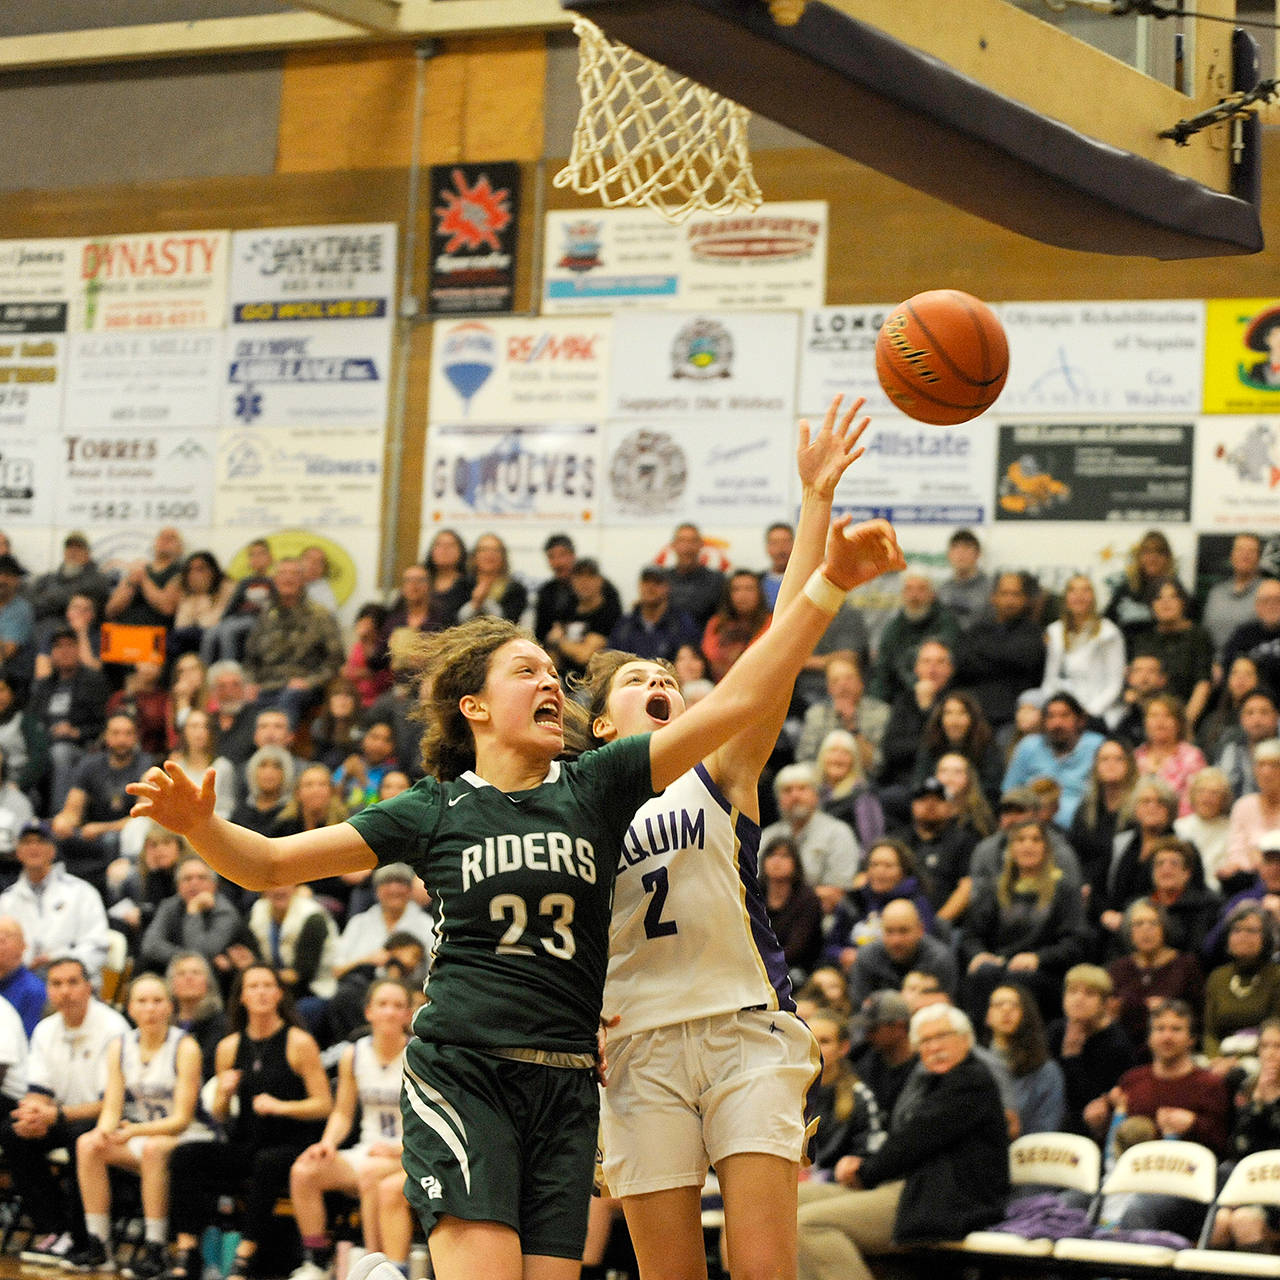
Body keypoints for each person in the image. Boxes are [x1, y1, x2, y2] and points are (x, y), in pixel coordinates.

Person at [126, 495, 905, 1280]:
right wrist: (197, 827)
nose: (549, 685)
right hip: (469, 1065)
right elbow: (265, 865)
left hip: (567, 1082)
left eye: (553, 675)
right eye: (525, 671)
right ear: (473, 706)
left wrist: (825, 584)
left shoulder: (596, 785)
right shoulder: (434, 807)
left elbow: (742, 697)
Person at [573, 394, 873, 1280]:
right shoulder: (576, 802)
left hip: (743, 1032)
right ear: (599, 725)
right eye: (637, 677)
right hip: (636, 1045)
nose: (660, 677)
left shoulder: (721, 772)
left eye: (668, 672)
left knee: (764, 1271)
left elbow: (779, 650)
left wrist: (813, 501)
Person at [794, 1004, 1009, 1280]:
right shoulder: (930, 1082)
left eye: (942, 1036)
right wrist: (866, 1169)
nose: (934, 1047)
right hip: (908, 1186)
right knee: (789, 1201)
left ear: (967, 1039)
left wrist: (864, 1172)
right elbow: (906, 1142)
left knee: (808, 1224)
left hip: (945, 1199)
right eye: (925, 1041)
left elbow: (914, 1142)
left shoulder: (969, 1082)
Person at [162, 964, 331, 1280]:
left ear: (280, 994)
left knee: (268, 1163)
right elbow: (220, 1115)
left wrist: (282, 1106)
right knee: (184, 1155)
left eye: (268, 985)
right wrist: (224, 1095)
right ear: (241, 997)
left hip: (291, 1144)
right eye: (253, 986)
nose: (262, 992)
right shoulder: (229, 1047)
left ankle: (245, 1256)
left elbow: (323, 1105)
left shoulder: (298, 1042)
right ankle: (187, 1251)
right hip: (247, 1141)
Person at [67, 973, 206, 1277]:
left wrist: (133, 1131)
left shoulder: (185, 1047)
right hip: (141, 1131)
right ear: (130, 1009)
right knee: (88, 1144)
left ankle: (156, 1247)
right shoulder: (120, 1045)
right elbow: (112, 1107)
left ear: (170, 1007)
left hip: (188, 1135)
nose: (150, 1008)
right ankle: (98, 1245)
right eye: (142, 1001)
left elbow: (182, 1119)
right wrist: (105, 1131)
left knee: (153, 1150)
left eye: (157, 1001)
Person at [2, 957, 129, 1267]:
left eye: (73, 982)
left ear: (89, 987)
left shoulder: (112, 1028)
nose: (65, 991)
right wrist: (32, 1114)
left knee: (79, 1135)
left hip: (111, 1118)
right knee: (12, 1131)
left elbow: (111, 1102)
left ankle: (82, 1233)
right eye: (56, 984)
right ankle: (54, 1229)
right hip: (62, 1115)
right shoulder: (46, 1029)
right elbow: (38, 1091)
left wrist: (54, 1115)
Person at [288, 979, 412, 1280]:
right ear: (368, 1011)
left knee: (371, 1173)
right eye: (382, 1004)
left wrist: (399, 1148)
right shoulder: (353, 1054)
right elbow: (343, 1112)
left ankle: (375, 1266)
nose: (390, 1012)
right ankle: (317, 1260)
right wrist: (327, 1143)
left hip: (408, 1154)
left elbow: (430, 1119)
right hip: (368, 1150)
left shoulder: (418, 1055)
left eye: (398, 1006)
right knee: (304, 1171)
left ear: (409, 1014)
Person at [1083, 999, 1229, 1238]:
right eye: (1160, 1029)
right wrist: (1098, 1123)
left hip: (1182, 1185)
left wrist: (1193, 1125)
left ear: (1192, 1038)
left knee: (1139, 1210)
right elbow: (1113, 1142)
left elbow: (1222, 1146)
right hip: (1125, 1178)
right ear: (1150, 1037)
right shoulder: (1132, 1080)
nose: (1167, 1036)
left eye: (1176, 1029)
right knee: (1070, 1201)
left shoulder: (1209, 1084)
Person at [960, 818, 1089, 1020]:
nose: (1028, 845)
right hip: (999, 966)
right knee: (983, 973)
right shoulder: (993, 890)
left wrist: (1038, 958)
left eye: (1035, 840)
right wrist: (978, 955)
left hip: (1044, 971)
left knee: (1019, 978)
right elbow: (971, 935)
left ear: (1046, 849)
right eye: (1020, 840)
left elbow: (1076, 942)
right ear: (1011, 849)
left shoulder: (1064, 890)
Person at [0, 821, 110, 980]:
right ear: (18, 852)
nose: (33, 847)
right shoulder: (6, 900)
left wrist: (57, 960)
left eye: (40, 841)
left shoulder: (81, 892)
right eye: (27, 842)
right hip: (20, 983)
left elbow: (98, 947)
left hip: (72, 981)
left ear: (52, 850)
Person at [243, 559, 344, 730]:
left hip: (302, 687)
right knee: (239, 699)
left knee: (289, 698)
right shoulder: (266, 615)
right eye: (282, 573)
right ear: (274, 580)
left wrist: (309, 682)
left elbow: (335, 661)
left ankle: (277, 750)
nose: (288, 578)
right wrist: (250, 683)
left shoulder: (320, 615)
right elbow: (250, 660)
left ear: (304, 580)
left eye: (294, 574)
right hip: (266, 685)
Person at [1208, 1018, 1280, 1252]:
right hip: (1253, 1183)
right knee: (1221, 1221)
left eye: (1278, 1046)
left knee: (1244, 1220)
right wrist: (1257, 1104)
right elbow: (1238, 1148)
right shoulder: (1249, 1088)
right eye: (1265, 1046)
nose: (1270, 1054)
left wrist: (1271, 1105)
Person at [760, 762, 862, 914]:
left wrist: (782, 895)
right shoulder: (767, 837)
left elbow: (836, 894)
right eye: (787, 790)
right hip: (769, 919)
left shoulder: (838, 833)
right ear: (778, 799)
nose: (795, 796)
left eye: (802, 788)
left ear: (816, 795)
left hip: (823, 921)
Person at [1046, 965, 1135, 1136]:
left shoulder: (1117, 1043)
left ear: (1105, 1003)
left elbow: (1090, 1102)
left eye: (1089, 993)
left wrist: (1072, 1058)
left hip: (1093, 1126)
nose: (1079, 999)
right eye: (1072, 992)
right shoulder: (1055, 1031)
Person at [1106, 898, 1204, 1050]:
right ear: (1129, 932)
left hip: (1174, 1048)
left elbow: (1199, 1015)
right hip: (1127, 1049)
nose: (1146, 930)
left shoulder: (1186, 965)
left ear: (1164, 928)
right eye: (1138, 924)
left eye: (1153, 923)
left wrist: (1170, 1010)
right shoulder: (1118, 969)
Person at [954, 570, 1046, 730]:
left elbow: (1025, 659)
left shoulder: (1034, 633)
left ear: (1025, 600)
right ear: (993, 597)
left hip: (1013, 716)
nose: (1010, 600)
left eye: (1016, 594)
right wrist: (1006, 658)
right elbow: (963, 663)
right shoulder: (976, 631)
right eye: (1004, 593)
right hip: (975, 714)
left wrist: (983, 653)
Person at [825, 839, 936, 972]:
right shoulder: (853, 901)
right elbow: (830, 946)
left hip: (895, 975)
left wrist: (865, 959)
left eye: (888, 866)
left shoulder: (916, 904)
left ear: (903, 871)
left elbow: (922, 949)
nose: (879, 871)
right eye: (874, 865)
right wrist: (842, 954)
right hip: (848, 973)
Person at [1001, 691, 1104, 828]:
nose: (1057, 723)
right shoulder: (1028, 746)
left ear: (1080, 720)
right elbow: (1010, 792)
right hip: (1031, 826)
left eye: (1064, 716)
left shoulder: (1097, 746)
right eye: (1050, 716)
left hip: (1080, 828)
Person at [1097, 777, 1182, 941]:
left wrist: (1129, 918)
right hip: (1113, 926)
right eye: (1146, 801)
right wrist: (1105, 912)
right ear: (1135, 808)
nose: (1152, 807)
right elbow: (1100, 888)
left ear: (1170, 810)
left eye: (1160, 802)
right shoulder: (1120, 843)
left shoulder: (1180, 847)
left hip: (1160, 928)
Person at [139, 853, 248, 979]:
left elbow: (201, 954)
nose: (194, 884)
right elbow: (150, 945)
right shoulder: (169, 906)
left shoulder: (225, 912)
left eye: (201, 878)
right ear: (178, 886)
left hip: (214, 981)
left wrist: (193, 912)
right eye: (187, 878)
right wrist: (184, 958)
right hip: (174, 975)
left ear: (214, 884)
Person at [1202, 902, 1280, 1063]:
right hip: (1220, 1059)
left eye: (1251, 930)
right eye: (1236, 930)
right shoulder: (1217, 977)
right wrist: (1215, 1058)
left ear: (1266, 937)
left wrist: (1235, 1061)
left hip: (1264, 1058)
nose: (1242, 936)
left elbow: (1275, 1030)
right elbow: (1209, 1033)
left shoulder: (1276, 976)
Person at [867, 573, 959, 708]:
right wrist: (875, 705)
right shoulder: (893, 628)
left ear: (932, 594)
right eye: (909, 589)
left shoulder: (947, 623)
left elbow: (950, 666)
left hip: (944, 697)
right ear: (902, 594)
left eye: (921, 589)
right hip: (900, 698)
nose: (914, 595)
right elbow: (882, 672)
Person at [984, 983, 1065, 1135]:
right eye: (999, 1004)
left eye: (1015, 1005)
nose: (1006, 1010)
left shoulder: (1046, 1070)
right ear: (987, 1016)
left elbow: (1046, 1128)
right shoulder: (977, 1066)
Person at [1132, 577, 1214, 728]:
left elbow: (1203, 683)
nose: (1165, 603)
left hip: (1189, 718)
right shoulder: (1144, 639)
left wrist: (1184, 724)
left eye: (1173, 597)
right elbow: (1136, 683)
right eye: (1159, 598)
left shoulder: (1198, 636)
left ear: (1183, 601)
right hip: (1148, 718)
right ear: (1151, 604)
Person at [847, 899, 958, 1008]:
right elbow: (860, 1007)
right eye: (889, 931)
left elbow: (947, 1004)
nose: (896, 940)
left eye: (903, 931)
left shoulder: (939, 958)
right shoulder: (867, 957)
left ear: (920, 929)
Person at [795, 654, 888, 773]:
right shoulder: (816, 714)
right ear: (829, 688)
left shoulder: (880, 712)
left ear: (861, 683)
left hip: (866, 783)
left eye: (849, 678)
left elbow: (877, 764)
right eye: (835, 681)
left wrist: (852, 726)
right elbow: (804, 759)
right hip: (822, 782)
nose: (843, 685)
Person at [909, 689, 1003, 804]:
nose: (954, 720)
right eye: (948, 713)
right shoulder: (930, 744)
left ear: (972, 718)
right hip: (937, 802)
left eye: (962, 713)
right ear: (940, 718)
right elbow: (920, 781)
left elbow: (992, 786)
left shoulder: (986, 745)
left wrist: (961, 792)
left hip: (976, 805)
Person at [1104, 529, 1179, 655]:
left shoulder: (1177, 591)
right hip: (1125, 662)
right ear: (1139, 556)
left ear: (1168, 557)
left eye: (1159, 552)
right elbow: (1106, 625)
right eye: (1147, 552)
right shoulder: (1125, 590)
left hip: (1164, 664)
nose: (1153, 557)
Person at [202, 538, 276, 665]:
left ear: (270, 558)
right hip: (238, 617)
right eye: (253, 555)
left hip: (258, 619)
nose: (257, 558)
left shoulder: (273, 581)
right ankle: (204, 669)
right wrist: (222, 619)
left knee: (228, 631)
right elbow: (234, 603)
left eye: (261, 553)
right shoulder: (245, 582)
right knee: (211, 633)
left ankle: (229, 670)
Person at [606, 565, 700, 665]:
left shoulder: (682, 624)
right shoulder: (624, 625)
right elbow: (611, 660)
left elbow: (690, 662)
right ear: (639, 585)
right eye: (646, 582)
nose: (650, 587)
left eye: (657, 582)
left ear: (667, 587)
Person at [760, 836, 824, 982]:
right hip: (756, 962)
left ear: (795, 864)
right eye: (772, 855)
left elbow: (797, 949)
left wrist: (763, 962)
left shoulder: (808, 899)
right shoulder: (752, 893)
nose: (777, 861)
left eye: (784, 856)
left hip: (797, 968)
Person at [816, 729, 885, 851]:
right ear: (822, 756)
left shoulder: (863, 793)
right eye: (833, 751)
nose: (838, 758)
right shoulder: (813, 791)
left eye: (845, 753)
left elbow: (871, 841)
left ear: (854, 760)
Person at [1203, 533, 1265, 668]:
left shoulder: (1268, 592)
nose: (1245, 555)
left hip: (1254, 667)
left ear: (1259, 557)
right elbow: (1205, 635)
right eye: (1240, 550)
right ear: (1231, 555)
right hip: (1213, 667)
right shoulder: (1216, 593)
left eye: (1251, 551)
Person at [104, 527, 184, 633]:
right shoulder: (138, 571)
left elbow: (167, 607)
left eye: (171, 538)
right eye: (161, 537)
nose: (165, 541)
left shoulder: (180, 572)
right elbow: (110, 610)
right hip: (123, 631)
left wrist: (144, 580)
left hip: (156, 634)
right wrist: (131, 584)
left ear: (180, 548)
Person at [701, 569, 770, 682]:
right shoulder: (716, 623)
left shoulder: (771, 622)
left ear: (760, 593)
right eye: (736, 589)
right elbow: (710, 655)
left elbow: (760, 656)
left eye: (749, 589)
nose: (743, 595)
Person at [1176, 766, 1236, 890]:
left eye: (1214, 793)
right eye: (1201, 791)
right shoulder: (1178, 827)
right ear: (1192, 795)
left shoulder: (1233, 828)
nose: (1207, 798)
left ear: (1224, 798)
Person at [661, 522, 726, 631]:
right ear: (673, 545)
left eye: (692, 541)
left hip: (705, 642)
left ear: (701, 545)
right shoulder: (661, 580)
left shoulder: (717, 580)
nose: (687, 547)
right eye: (682, 541)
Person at [169, 551, 234, 661]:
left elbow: (212, 622)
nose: (194, 574)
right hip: (188, 637)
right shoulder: (187, 593)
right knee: (171, 640)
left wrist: (204, 596)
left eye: (200, 569)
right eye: (190, 570)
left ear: (212, 570)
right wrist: (196, 598)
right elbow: (181, 624)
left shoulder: (227, 587)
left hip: (214, 635)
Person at [1223, 577, 1280, 698]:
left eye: (1277, 600)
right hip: (1248, 704)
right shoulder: (1244, 633)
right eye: (1265, 601)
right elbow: (1229, 668)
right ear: (1257, 606)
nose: (1271, 605)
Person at [456, 531, 528, 625]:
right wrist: (474, 604)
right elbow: (453, 622)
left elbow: (509, 624)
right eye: (484, 550)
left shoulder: (516, 589)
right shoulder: (462, 585)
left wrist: (485, 602)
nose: (489, 554)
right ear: (474, 556)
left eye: (495, 550)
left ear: (503, 557)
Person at [934, 528, 992, 632]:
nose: (960, 553)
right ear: (949, 555)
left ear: (978, 554)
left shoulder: (991, 588)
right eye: (955, 548)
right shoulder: (942, 590)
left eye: (967, 547)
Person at [0, 915, 46, 1036]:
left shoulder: (34, 991)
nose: (1, 939)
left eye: (8, 935)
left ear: (23, 946)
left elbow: (28, 1042)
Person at [420, 528, 470, 631]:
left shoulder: (469, 585)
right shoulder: (420, 581)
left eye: (451, 545)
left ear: (461, 551)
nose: (444, 549)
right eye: (439, 545)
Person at [533, 533, 577, 646]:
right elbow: (540, 634)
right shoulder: (545, 591)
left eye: (562, 555)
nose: (558, 562)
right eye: (552, 556)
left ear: (573, 556)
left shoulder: (597, 588)